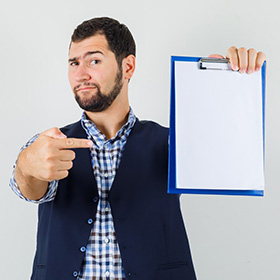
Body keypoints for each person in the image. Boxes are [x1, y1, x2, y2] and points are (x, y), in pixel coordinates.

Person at [10, 17, 266, 280]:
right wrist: (28, 164)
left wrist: (221, 85)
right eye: (74, 63)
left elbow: (232, 158)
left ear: (128, 66)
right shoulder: (51, 144)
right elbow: (29, 186)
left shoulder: (171, 143)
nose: (80, 73)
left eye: (94, 60)